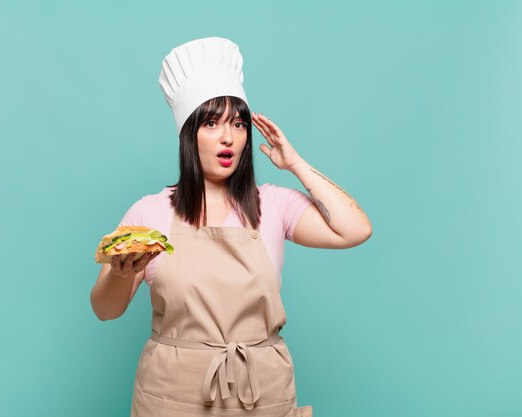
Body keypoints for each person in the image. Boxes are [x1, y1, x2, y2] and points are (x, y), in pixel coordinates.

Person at [91, 37, 372, 417]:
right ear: (189, 134)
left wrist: (296, 165)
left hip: (262, 394)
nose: (228, 137)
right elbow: (105, 310)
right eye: (212, 123)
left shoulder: (272, 204)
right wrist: (123, 275)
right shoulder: (150, 212)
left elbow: (355, 229)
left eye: (238, 124)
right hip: (172, 398)